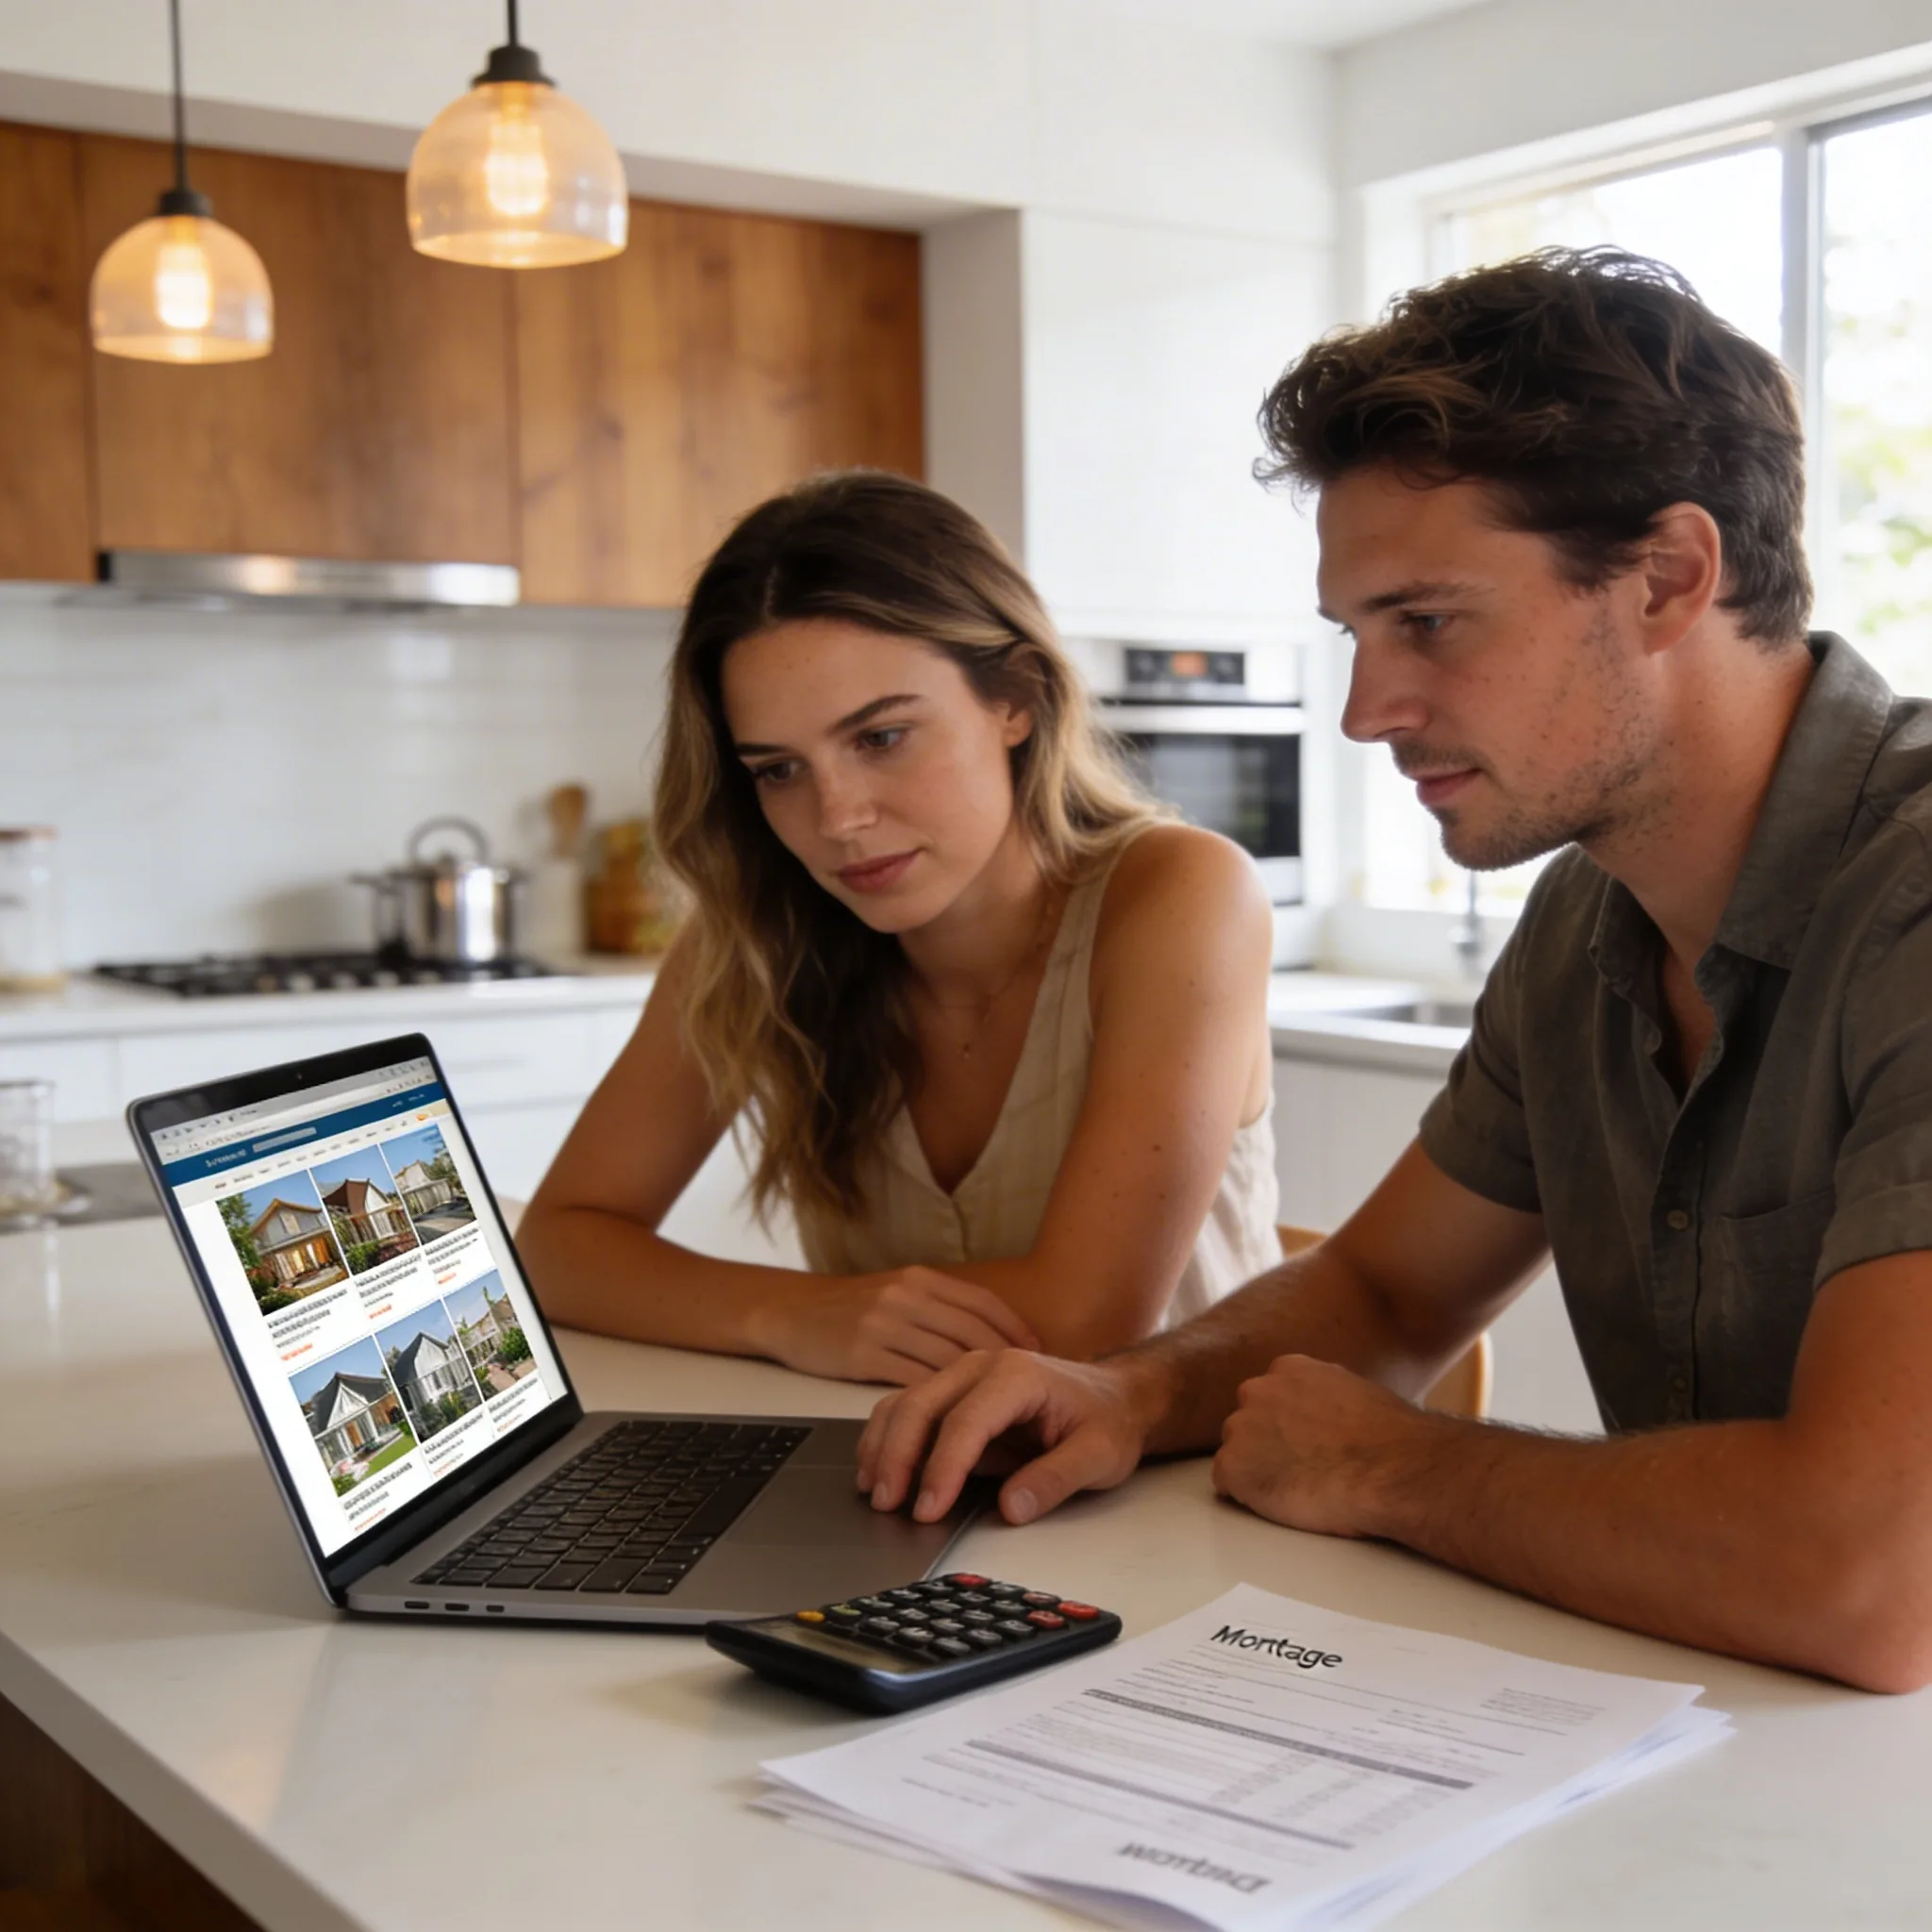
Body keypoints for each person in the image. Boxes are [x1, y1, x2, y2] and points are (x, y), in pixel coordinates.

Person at [857, 249, 1932, 1693]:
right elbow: (1382, 1294)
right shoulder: (1586, 918)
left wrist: (1395, 1467)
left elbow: (1872, 1578)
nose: (1367, 712)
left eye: (1426, 622)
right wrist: (1128, 1393)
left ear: (1671, 578)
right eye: (1356, 635)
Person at [517, 472, 1281, 1385]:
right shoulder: (757, 937)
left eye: (880, 738)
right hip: (891, 1457)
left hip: (1191, 1469)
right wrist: (786, 1312)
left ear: (1016, 697)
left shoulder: (1182, 894)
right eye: (778, 770)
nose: (837, 818)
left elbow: (1084, 1319)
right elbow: (556, 1246)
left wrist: (805, 1311)